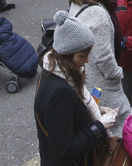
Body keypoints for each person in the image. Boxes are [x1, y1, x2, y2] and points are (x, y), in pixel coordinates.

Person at [34, 14, 118, 165]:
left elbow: (65, 115)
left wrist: (98, 109)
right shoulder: (60, 92)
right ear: (67, 54)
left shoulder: (52, 70)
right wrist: (100, 127)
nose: (86, 61)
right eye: (82, 56)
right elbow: (64, 151)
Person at [65, 0, 131, 136]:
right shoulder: (99, 12)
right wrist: (116, 74)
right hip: (103, 84)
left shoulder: (78, 1)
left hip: (86, 78)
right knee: (120, 126)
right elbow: (103, 56)